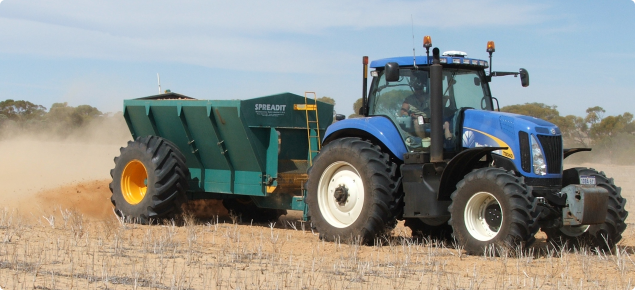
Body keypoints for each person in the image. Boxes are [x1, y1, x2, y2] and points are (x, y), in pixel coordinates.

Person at [400, 74, 454, 142]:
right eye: (416, 89)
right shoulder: (409, 99)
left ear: (423, 87)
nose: (418, 91)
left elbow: (437, 109)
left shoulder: (430, 97)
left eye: (420, 88)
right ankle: (424, 141)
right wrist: (409, 115)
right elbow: (403, 112)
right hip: (417, 120)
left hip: (430, 120)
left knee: (446, 121)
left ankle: (449, 139)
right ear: (414, 88)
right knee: (418, 121)